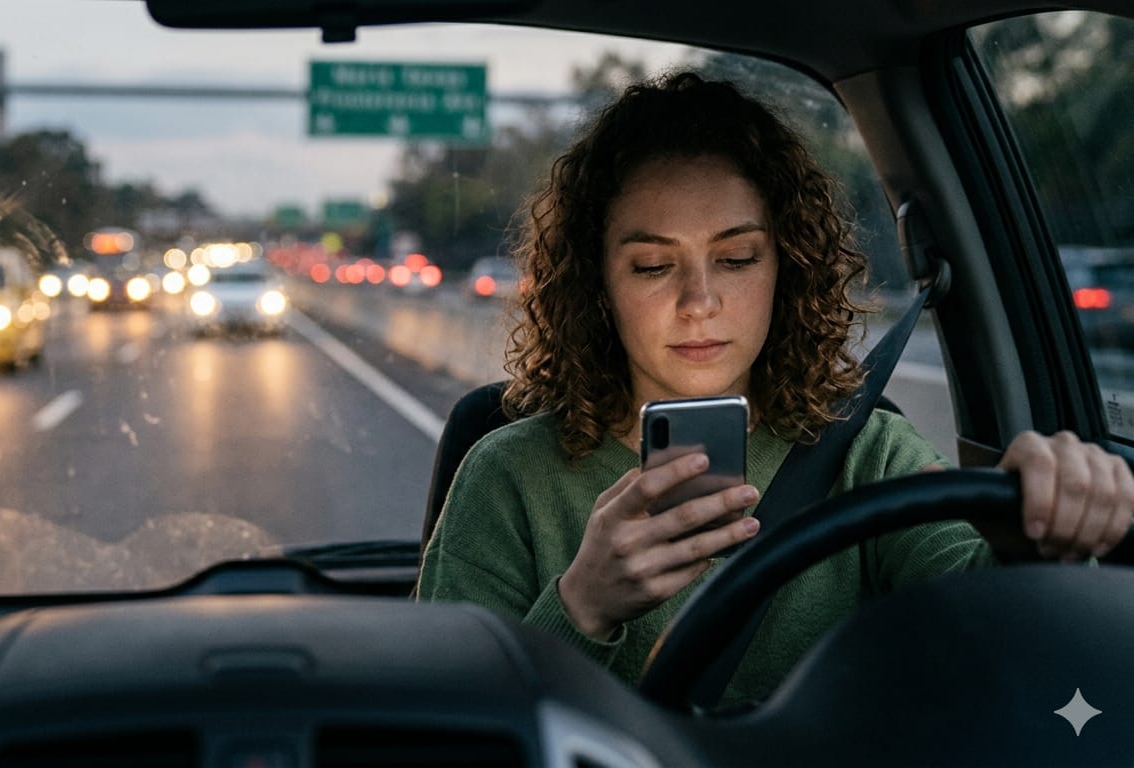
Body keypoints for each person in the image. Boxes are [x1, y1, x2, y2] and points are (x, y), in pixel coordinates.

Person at [415, 71, 1134, 705]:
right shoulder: (506, 474)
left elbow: (987, 630)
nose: (699, 302)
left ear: (782, 268)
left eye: (734, 258)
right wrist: (584, 604)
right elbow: (448, 723)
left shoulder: (869, 454)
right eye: (651, 267)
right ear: (599, 288)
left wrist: (1042, 531)